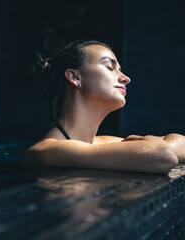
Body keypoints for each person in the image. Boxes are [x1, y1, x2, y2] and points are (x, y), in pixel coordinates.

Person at [22, 40, 185, 173]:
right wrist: (142, 142)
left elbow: (182, 143)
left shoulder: (100, 143)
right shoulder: (46, 151)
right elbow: (163, 155)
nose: (126, 78)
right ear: (75, 77)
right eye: (109, 67)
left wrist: (144, 144)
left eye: (119, 70)